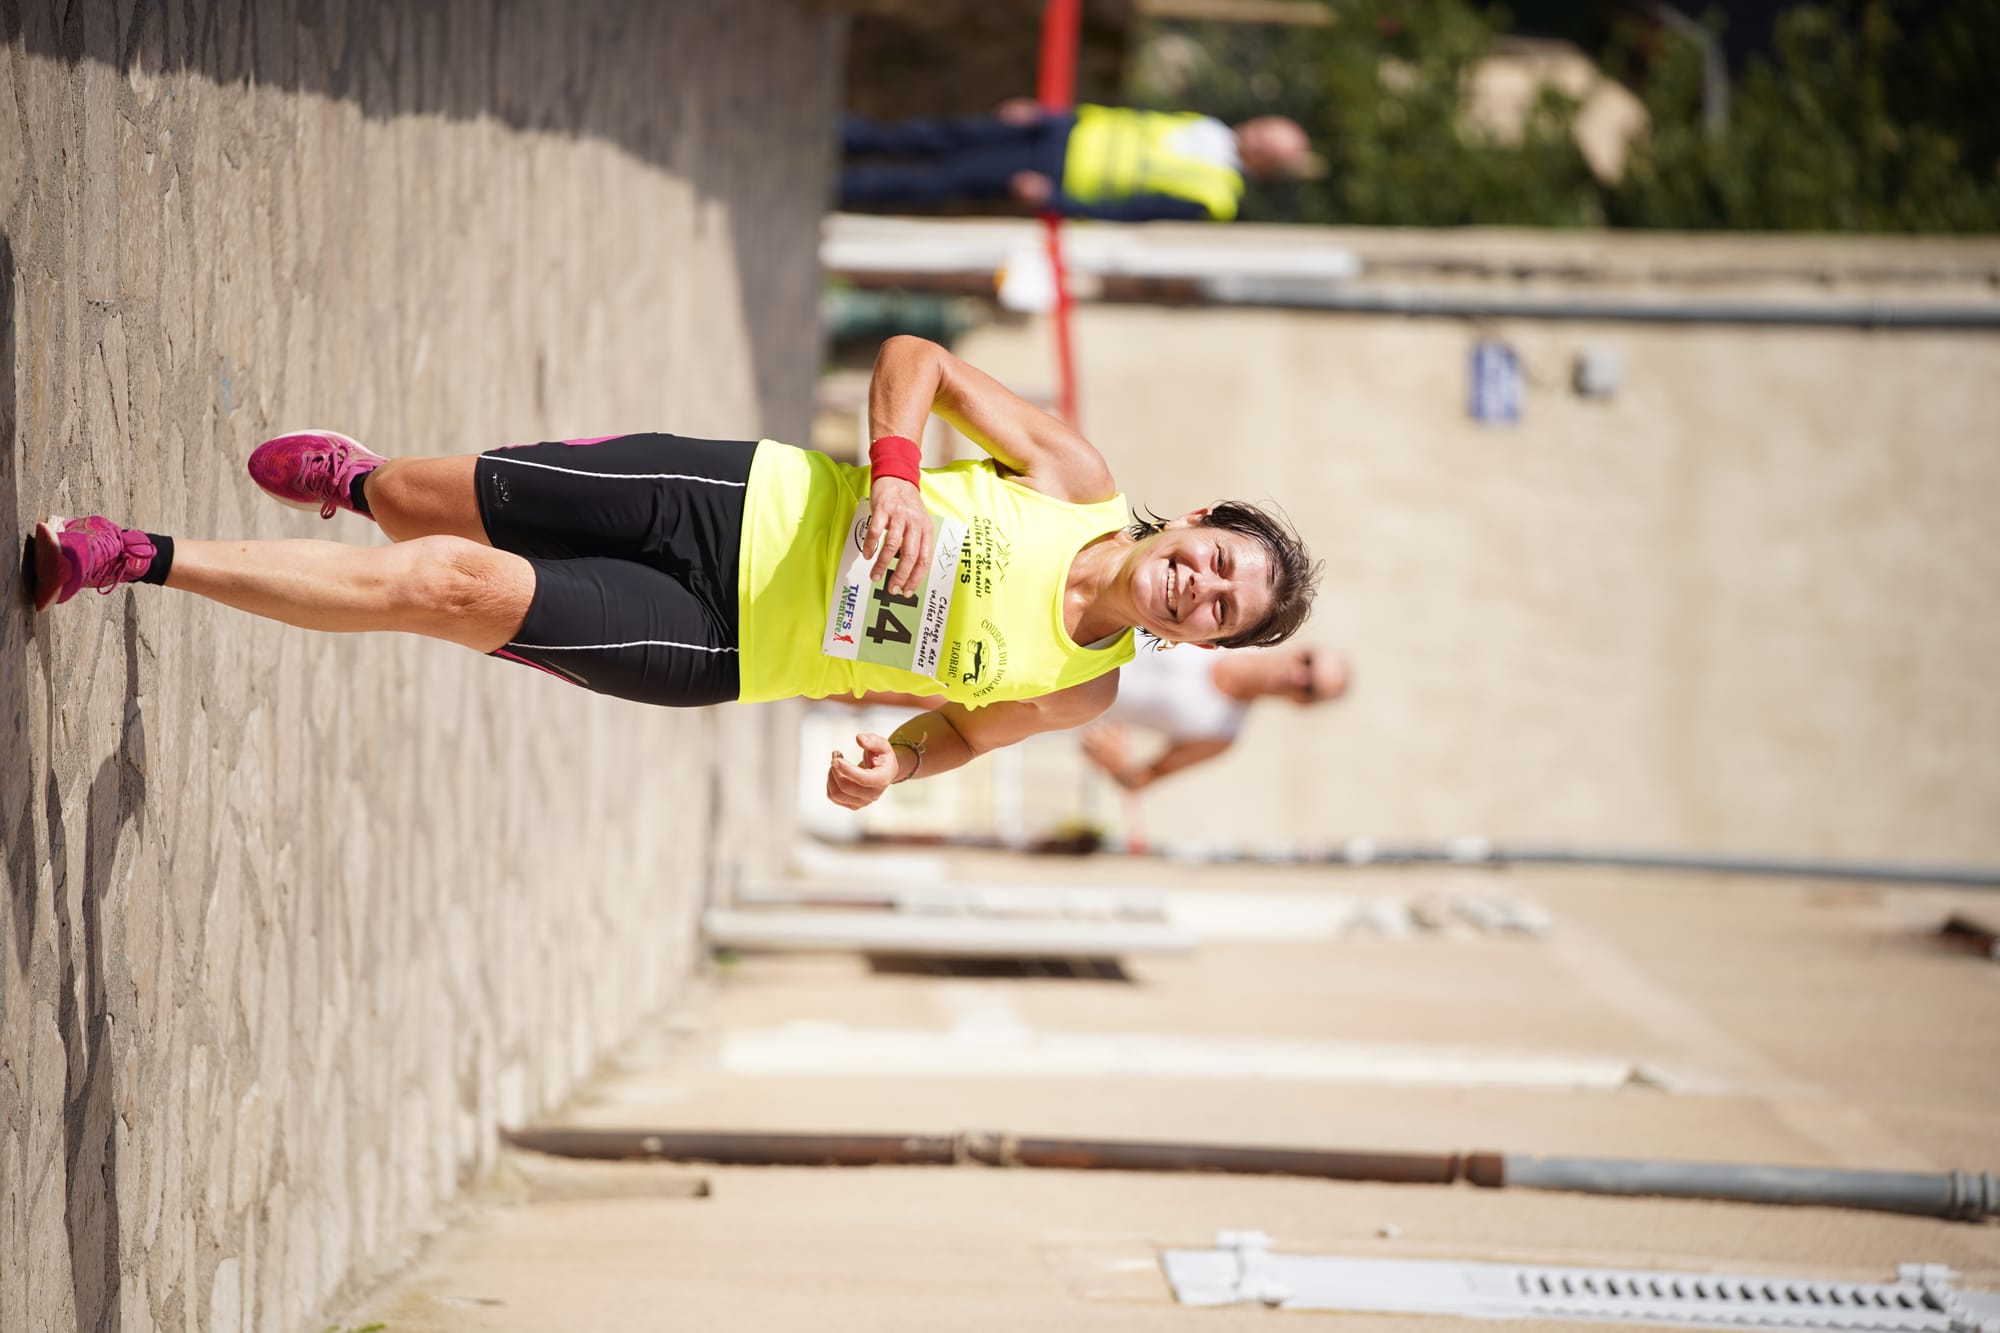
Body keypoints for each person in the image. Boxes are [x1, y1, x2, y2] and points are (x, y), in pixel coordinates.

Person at [32, 336, 1318, 810]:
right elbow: (911, 359)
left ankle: (128, 556)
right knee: (433, 503)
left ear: (1205, 645)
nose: (1196, 590)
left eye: (1220, 610)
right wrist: (891, 475)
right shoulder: (1069, 472)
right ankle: (364, 484)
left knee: (454, 592)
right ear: (1188, 520)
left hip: (727, 648)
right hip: (732, 498)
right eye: (1211, 561)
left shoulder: (1087, 692)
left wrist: (895, 768)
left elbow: (958, 735)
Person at [840, 100, 1314, 222]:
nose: (1254, 132)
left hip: (1054, 173)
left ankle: (848, 187)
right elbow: (1126, 123)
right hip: (1060, 131)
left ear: (1267, 162)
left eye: (1266, 140)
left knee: (945, 180)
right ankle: (853, 136)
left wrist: (1056, 200)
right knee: (949, 134)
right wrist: (1053, 116)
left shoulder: (1216, 196)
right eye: (1264, 126)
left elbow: (1130, 212)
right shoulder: (1209, 126)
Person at [1080, 643, 1350, 792]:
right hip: (1074, 632)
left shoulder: (1220, 733)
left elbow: (1141, 779)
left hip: (1061, 697)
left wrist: (1117, 765)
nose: (1297, 676)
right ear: (1300, 649)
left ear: (1302, 704)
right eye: (1307, 661)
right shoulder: (1237, 626)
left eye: (1309, 687)